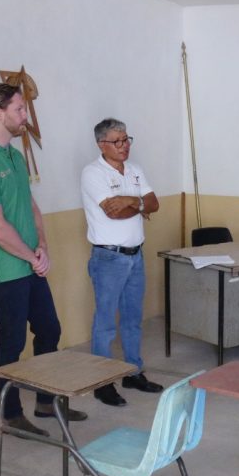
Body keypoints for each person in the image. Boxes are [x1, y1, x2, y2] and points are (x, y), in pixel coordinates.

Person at [0, 83, 62, 435]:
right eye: (19, 109)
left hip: (30, 261)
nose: (25, 116)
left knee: (50, 329)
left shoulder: (14, 156)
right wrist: (32, 258)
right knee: (12, 341)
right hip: (6, 269)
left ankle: (47, 402)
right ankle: (10, 414)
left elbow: (31, 207)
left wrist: (44, 247)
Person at [81, 118, 163, 406]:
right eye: (117, 141)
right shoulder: (92, 173)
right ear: (101, 144)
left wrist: (132, 201)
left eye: (127, 139)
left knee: (132, 320)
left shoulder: (135, 170)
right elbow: (112, 214)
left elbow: (154, 203)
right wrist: (138, 205)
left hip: (135, 255)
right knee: (105, 323)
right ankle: (101, 383)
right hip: (109, 258)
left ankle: (133, 372)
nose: (124, 146)